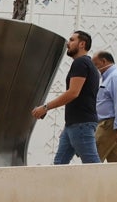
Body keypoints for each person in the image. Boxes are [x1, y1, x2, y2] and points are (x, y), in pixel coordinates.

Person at [33, 30, 101, 164]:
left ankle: (109, 186)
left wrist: (46, 107)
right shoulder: (87, 64)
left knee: (93, 165)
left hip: (81, 124)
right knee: (59, 164)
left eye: (71, 40)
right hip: (74, 124)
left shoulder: (80, 63)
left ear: (82, 44)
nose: (67, 44)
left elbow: (73, 92)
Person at [94, 50, 117, 163]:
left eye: (96, 65)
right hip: (109, 124)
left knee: (93, 157)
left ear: (104, 61)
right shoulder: (107, 77)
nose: (95, 68)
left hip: (109, 125)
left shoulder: (116, 76)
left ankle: (90, 180)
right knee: (116, 161)